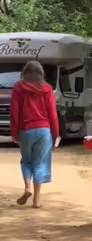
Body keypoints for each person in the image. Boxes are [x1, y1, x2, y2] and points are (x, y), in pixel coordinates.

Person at [10, 61, 60, 209]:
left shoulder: (18, 88)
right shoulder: (47, 89)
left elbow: (14, 112)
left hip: (25, 130)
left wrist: (14, 132)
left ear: (24, 73)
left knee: (26, 161)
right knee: (40, 163)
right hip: (44, 130)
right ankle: (36, 200)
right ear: (41, 74)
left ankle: (27, 188)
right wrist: (56, 134)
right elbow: (52, 114)